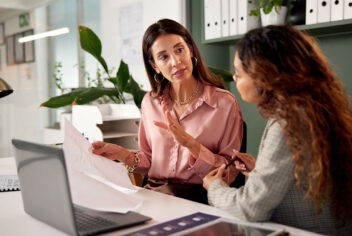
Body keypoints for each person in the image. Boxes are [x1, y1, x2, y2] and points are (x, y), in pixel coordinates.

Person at [203, 25, 352, 235]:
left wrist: (214, 187)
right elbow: (305, 179)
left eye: (238, 73)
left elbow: (250, 208)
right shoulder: (319, 106)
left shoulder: (287, 121)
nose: (234, 79)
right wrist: (258, 170)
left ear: (264, 75)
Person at [92, 19, 243, 204]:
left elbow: (230, 172)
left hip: (202, 199)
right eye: (163, 57)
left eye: (179, 50)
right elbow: (149, 160)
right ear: (155, 65)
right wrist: (122, 155)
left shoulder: (224, 103)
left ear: (191, 50)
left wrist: (191, 145)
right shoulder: (150, 102)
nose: (176, 61)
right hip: (154, 196)